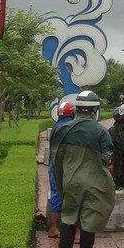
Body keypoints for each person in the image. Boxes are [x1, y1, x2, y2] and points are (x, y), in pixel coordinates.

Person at [51, 90, 116, 248]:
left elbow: (56, 158)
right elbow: (107, 157)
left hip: (70, 181)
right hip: (94, 183)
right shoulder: (101, 132)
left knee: (69, 219)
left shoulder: (63, 129)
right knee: (89, 222)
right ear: (95, 109)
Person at [47, 100, 75, 238]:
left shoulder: (56, 126)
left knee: (55, 194)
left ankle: (53, 227)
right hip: (62, 166)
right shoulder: (68, 127)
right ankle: (55, 229)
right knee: (66, 196)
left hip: (53, 164)